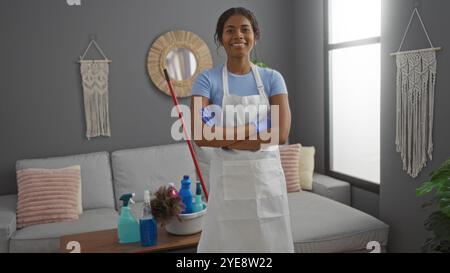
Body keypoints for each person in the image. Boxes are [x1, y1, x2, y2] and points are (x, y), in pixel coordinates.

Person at [190, 7, 294, 253]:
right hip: (227, 187)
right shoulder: (206, 81)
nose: (238, 35)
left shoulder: (272, 79)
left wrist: (225, 139)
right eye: (229, 30)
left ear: (255, 35)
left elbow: (279, 134)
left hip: (266, 183)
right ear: (220, 39)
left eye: (245, 29)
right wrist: (255, 130)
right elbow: (200, 134)